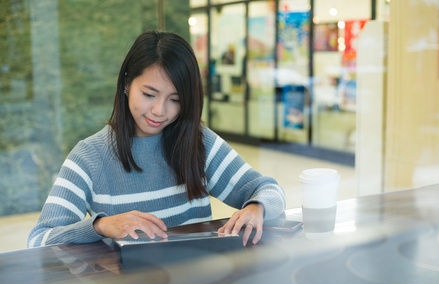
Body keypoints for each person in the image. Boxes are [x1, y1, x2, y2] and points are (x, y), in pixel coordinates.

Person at [28, 30, 285, 248]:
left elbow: (270, 191)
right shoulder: (89, 157)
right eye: (149, 94)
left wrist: (256, 208)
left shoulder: (198, 142)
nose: (159, 111)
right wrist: (100, 226)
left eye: (175, 100)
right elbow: (39, 240)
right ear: (126, 84)